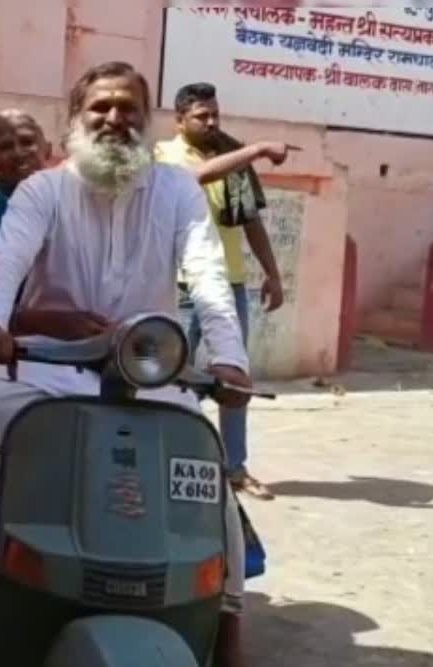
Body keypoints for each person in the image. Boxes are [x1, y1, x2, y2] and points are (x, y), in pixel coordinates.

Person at [0, 61, 253, 667]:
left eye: (128, 108)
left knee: (205, 466)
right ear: (78, 119)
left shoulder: (177, 190)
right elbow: (5, 260)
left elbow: (209, 277)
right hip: (50, 367)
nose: (114, 119)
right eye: (100, 108)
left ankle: (229, 622)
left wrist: (231, 360)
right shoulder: (44, 190)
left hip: (147, 372)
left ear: (147, 118)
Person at [155, 82, 289, 501]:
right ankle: (166, 461)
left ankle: (234, 469)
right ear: (179, 120)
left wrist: (271, 273)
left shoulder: (229, 160)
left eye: (215, 114)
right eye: (201, 116)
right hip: (178, 285)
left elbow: (250, 221)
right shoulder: (163, 155)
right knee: (172, 379)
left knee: (235, 382)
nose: (212, 122)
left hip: (229, 285)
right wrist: (257, 150)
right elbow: (196, 177)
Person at [0, 109, 53, 261]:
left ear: (48, 149)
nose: (18, 153)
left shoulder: (66, 192)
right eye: (6, 147)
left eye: (27, 142)